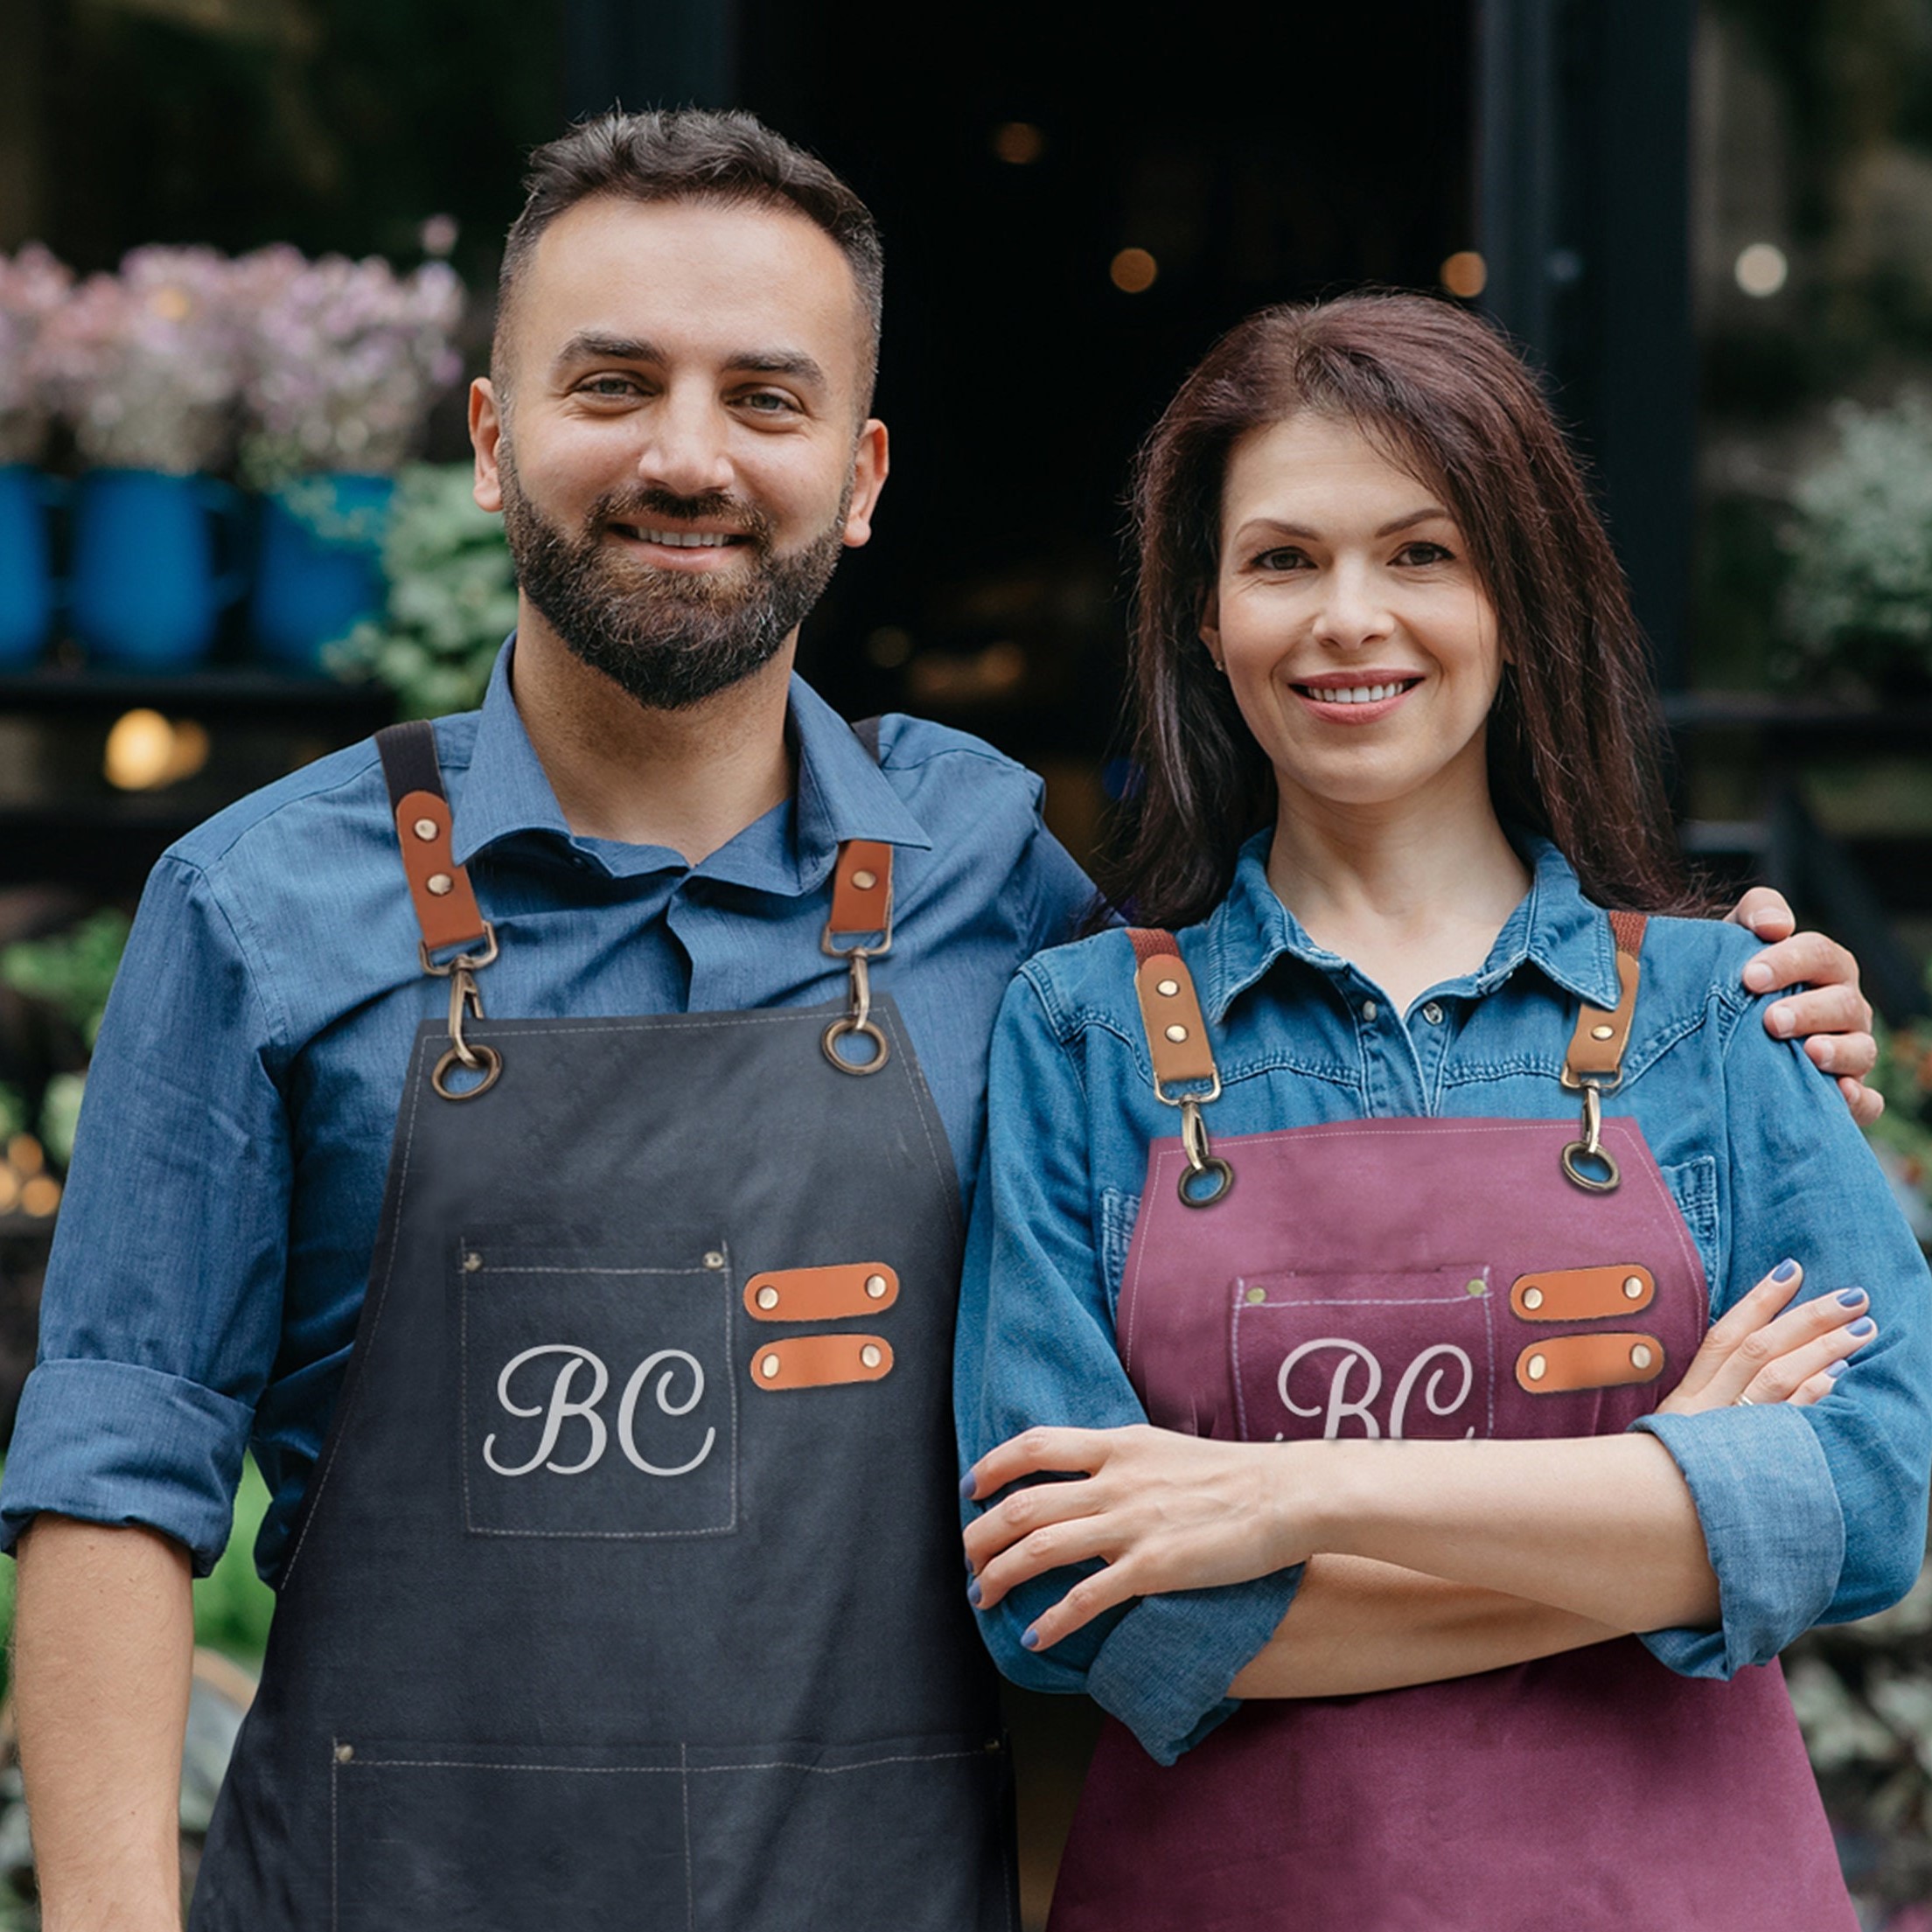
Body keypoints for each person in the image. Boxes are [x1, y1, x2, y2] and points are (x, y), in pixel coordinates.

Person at [0, 116, 1873, 1932]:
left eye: (764, 397)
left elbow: (1348, 1033)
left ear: (864, 470)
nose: (686, 454)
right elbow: (113, 1474)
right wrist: (1656, 1521)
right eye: (609, 384)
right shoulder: (257, 909)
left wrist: (1743, 1013)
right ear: (490, 444)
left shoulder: (995, 882)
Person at [956, 293, 1930, 1929]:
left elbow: (1864, 1499)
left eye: (1421, 553)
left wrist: (1293, 1499)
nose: (1349, 618)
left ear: (1515, 594)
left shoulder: (1721, 1008)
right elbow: (1072, 1601)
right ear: (1201, 614)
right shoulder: (1078, 1036)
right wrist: (1666, 1496)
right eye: (1280, 560)